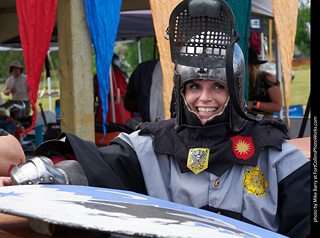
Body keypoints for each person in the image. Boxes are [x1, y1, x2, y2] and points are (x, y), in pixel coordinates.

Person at [0, 1, 310, 237]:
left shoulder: (275, 155)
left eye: (218, 86)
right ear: (180, 89)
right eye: (194, 86)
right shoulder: (152, 145)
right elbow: (97, 167)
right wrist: (49, 176)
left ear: (236, 88)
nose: (204, 98)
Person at [247, 48, 282, 118]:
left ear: (252, 65)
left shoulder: (267, 78)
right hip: (247, 122)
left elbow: (278, 106)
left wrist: (254, 104)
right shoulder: (242, 80)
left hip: (264, 123)